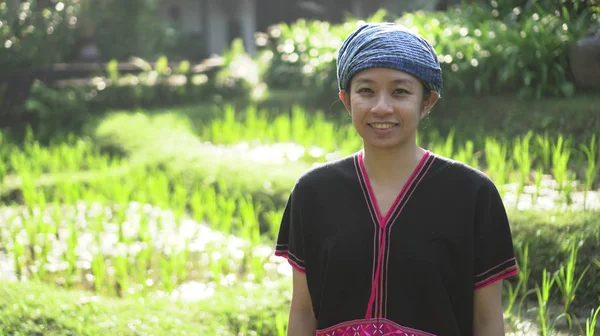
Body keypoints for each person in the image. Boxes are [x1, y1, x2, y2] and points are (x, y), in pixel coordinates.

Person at [274, 22, 518, 336]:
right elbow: (304, 312)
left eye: (400, 91)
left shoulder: (472, 195)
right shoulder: (313, 193)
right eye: (366, 91)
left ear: (427, 102)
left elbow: (486, 321)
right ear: (347, 100)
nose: (381, 107)